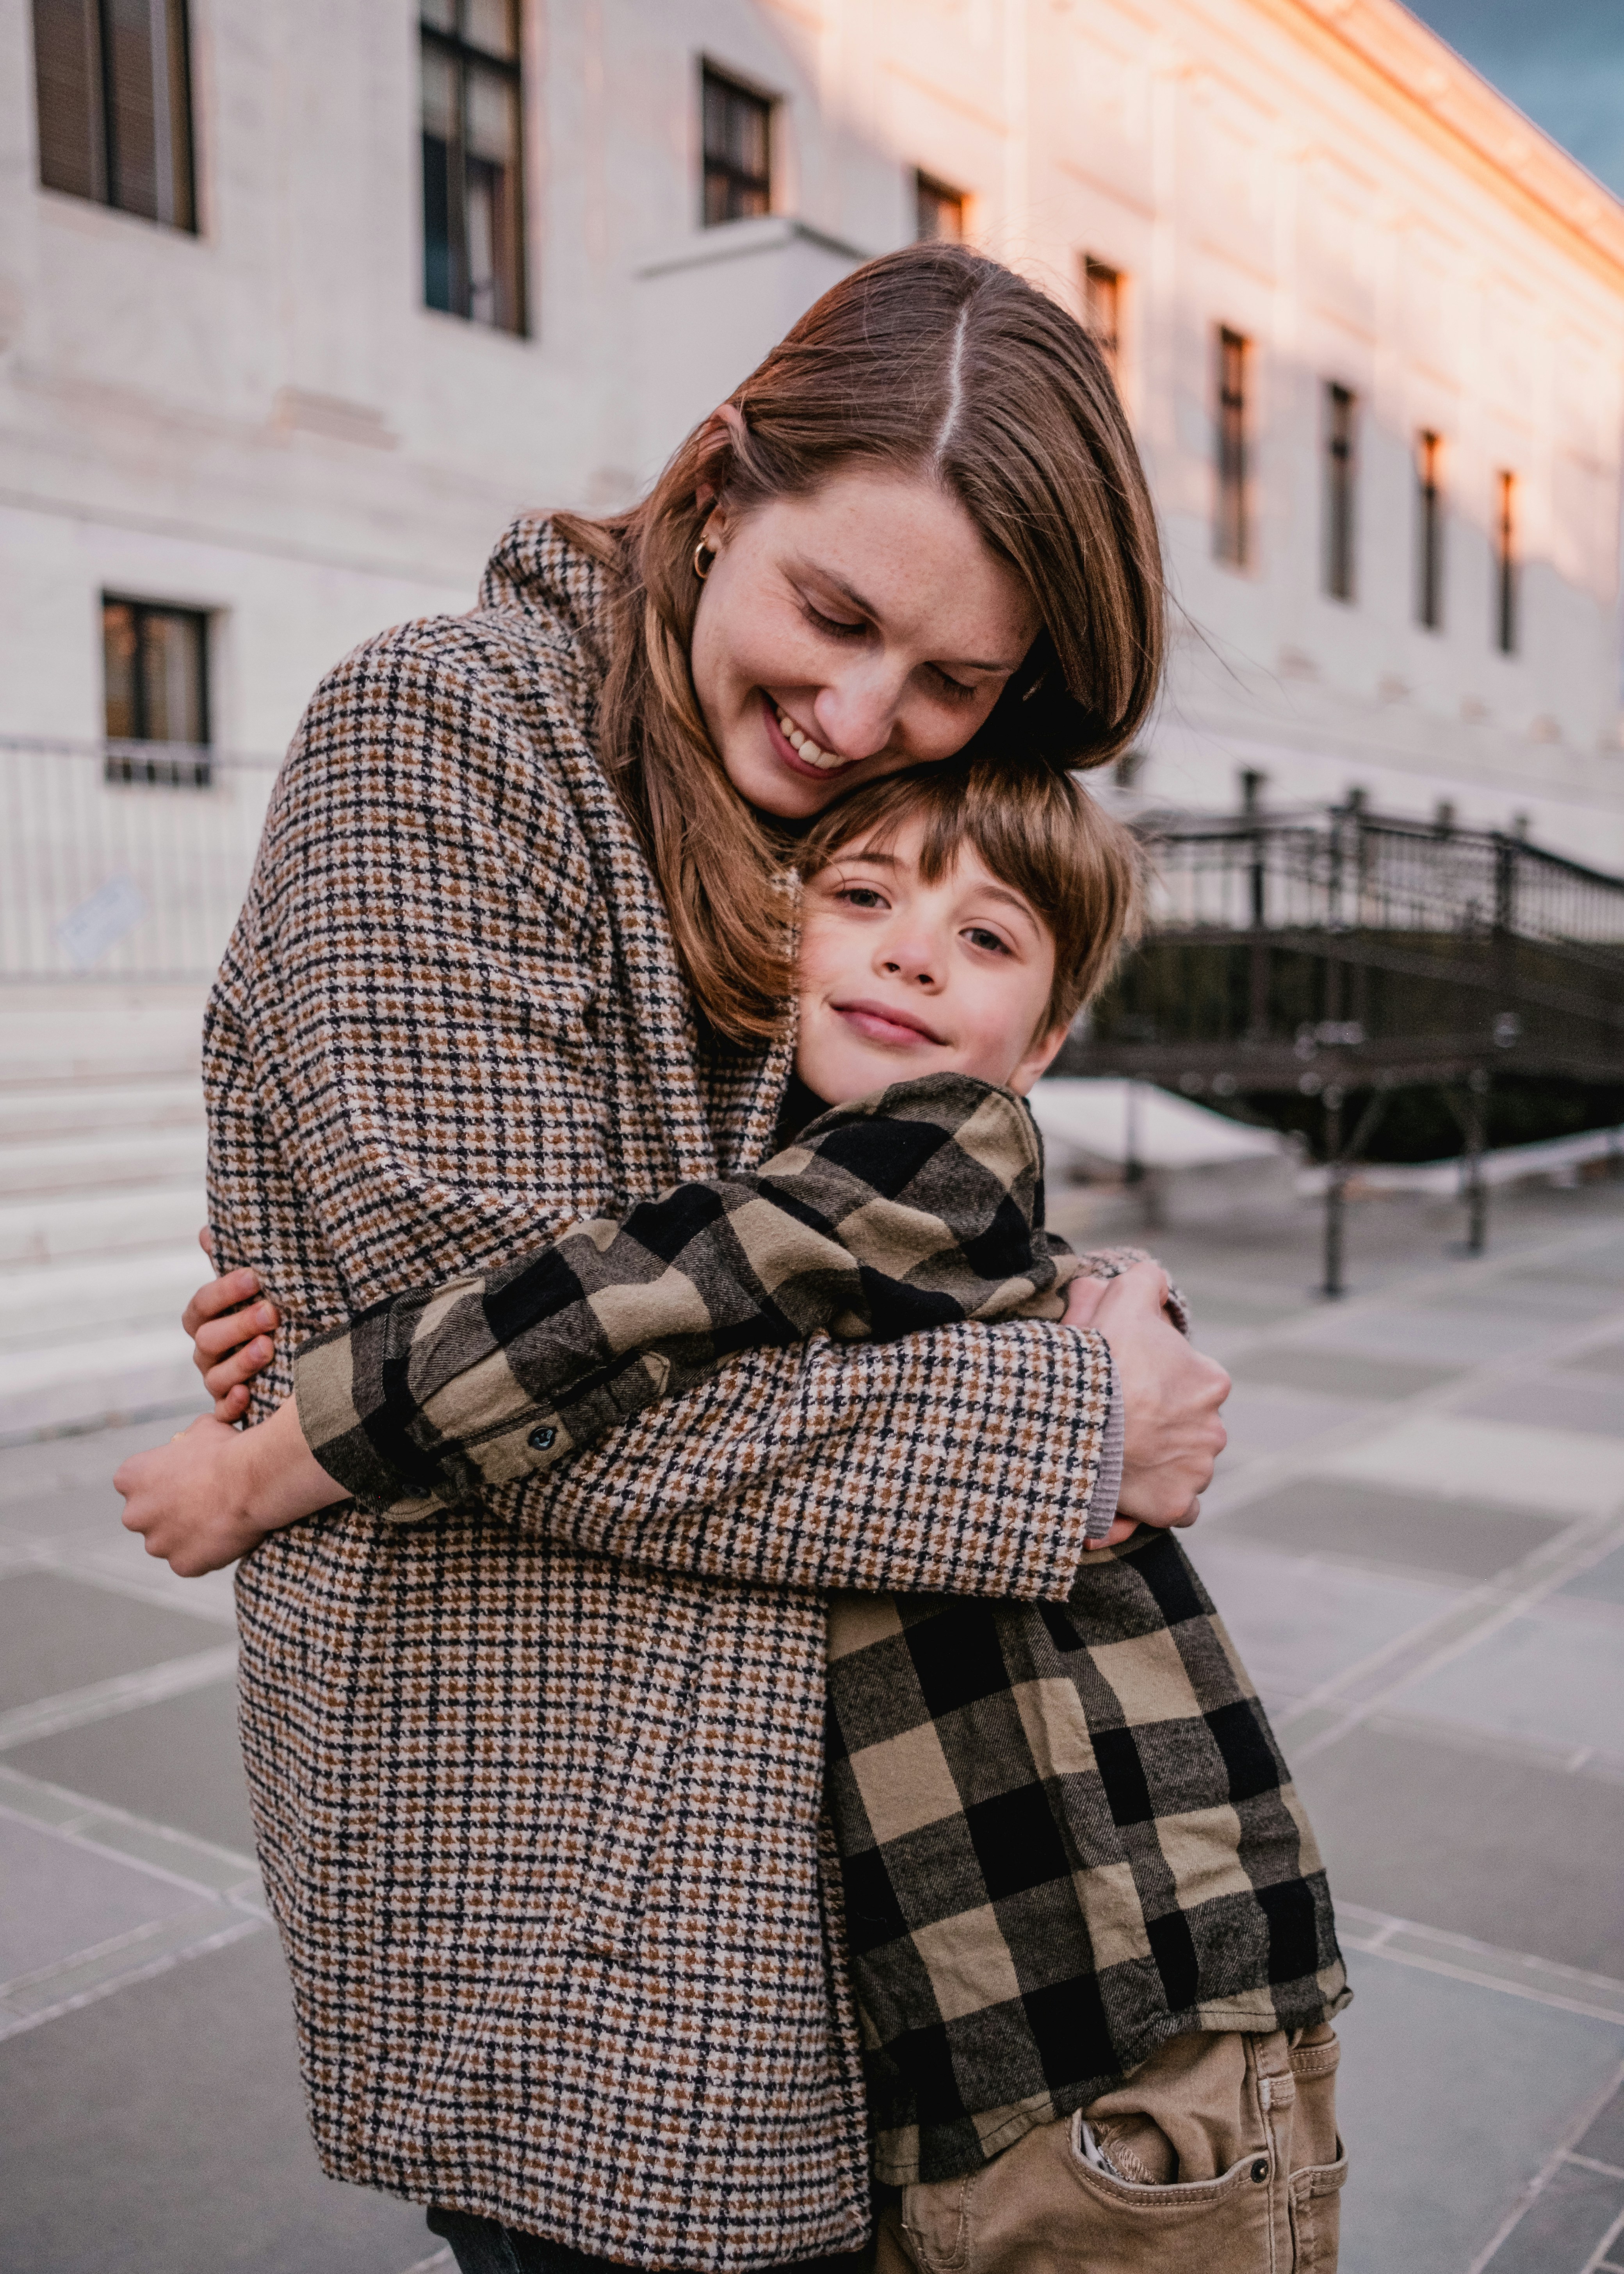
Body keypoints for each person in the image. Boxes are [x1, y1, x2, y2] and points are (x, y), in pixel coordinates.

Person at [112, 243, 1271, 2271]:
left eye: (947, 681)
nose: (857, 717)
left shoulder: (845, 815)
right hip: (572, 1852)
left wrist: (1097, 1306)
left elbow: (864, 1235)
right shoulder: (446, 734)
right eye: (832, 617)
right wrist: (1068, 1435)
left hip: (860, 1868)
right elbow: (515, 1379)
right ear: (720, 480)